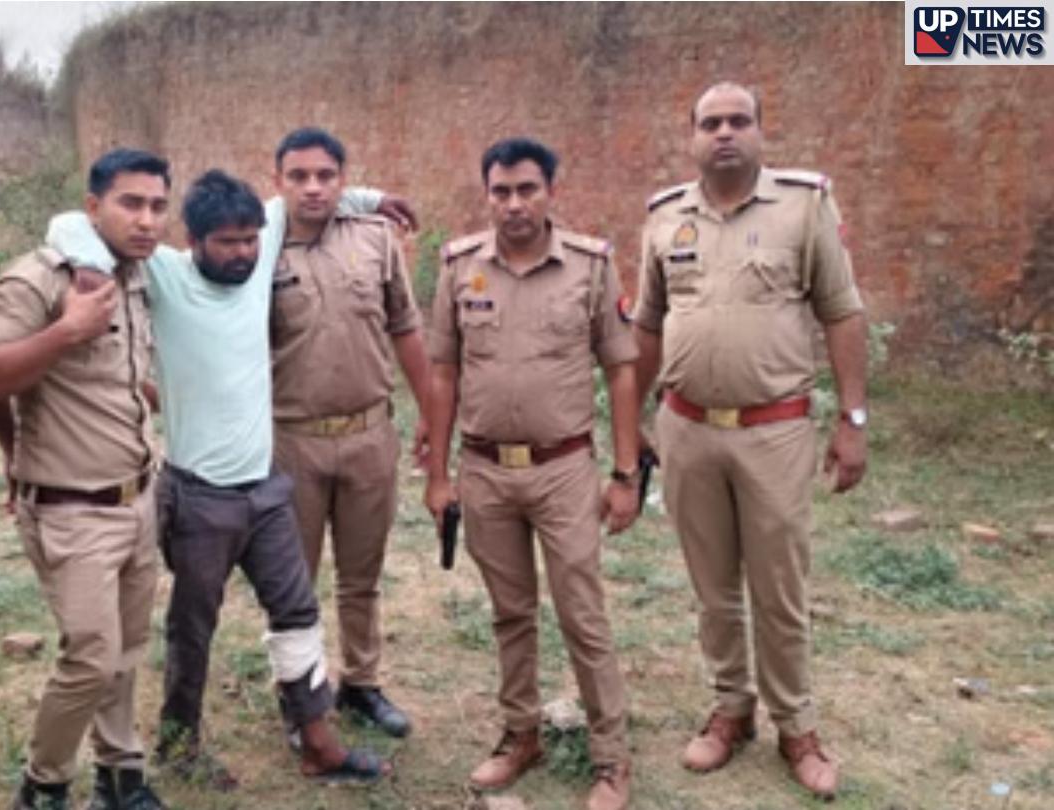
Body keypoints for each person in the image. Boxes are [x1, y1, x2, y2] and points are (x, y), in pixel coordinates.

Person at [46, 167, 403, 788]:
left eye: (250, 240)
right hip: (196, 498)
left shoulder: (259, 257)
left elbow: (305, 194)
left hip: (265, 489)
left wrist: (374, 197)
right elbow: (68, 222)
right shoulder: (165, 274)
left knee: (297, 612)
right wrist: (92, 268)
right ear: (193, 240)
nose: (243, 253)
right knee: (193, 627)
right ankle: (180, 745)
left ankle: (317, 741)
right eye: (227, 243)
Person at [632, 81, 868, 801]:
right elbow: (646, 324)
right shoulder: (664, 218)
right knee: (712, 589)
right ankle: (730, 709)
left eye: (739, 121)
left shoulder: (803, 206)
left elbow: (841, 312)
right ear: (692, 138)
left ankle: (797, 726)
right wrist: (629, 420)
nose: (724, 133)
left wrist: (852, 420)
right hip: (686, 429)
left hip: (774, 432)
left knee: (779, 588)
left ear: (761, 132)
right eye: (710, 123)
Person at [423, 137, 639, 810]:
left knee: (582, 614)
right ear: (486, 195)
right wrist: (438, 474)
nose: (513, 204)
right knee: (510, 613)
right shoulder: (459, 267)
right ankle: (520, 735)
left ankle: (611, 758)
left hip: (563, 469)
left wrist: (626, 473)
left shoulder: (589, 266)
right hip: (485, 470)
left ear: (550, 192)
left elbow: (621, 369)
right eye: (501, 191)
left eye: (526, 190)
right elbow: (442, 373)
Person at [0, 150, 171, 810]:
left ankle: (119, 774)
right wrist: (66, 332)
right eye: (130, 203)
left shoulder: (133, 276)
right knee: (90, 655)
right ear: (92, 207)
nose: (146, 219)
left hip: (137, 496)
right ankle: (44, 783)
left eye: (157, 206)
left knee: (127, 648)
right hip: (70, 508)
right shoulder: (38, 279)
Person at [268, 127, 432, 738]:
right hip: (293, 440)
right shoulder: (258, 248)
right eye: (299, 176)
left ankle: (362, 683)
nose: (313, 188)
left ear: (344, 179)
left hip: (369, 435)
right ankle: (301, 696)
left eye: (326, 176)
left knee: (362, 575)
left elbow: (406, 329)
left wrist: (432, 417)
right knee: (294, 581)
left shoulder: (374, 238)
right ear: (278, 181)